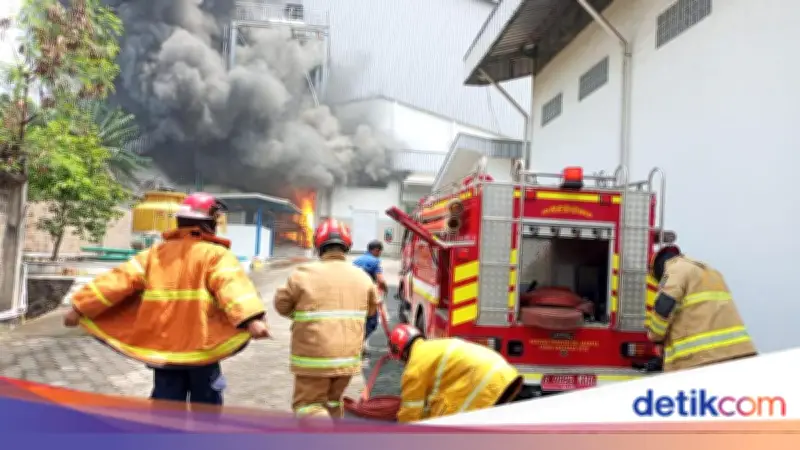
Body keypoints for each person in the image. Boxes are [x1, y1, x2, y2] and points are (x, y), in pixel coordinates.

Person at [63, 192, 270, 408]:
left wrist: (79, 308)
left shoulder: (154, 254)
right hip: (203, 347)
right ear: (210, 222)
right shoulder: (216, 255)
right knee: (206, 406)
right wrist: (252, 319)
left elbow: (117, 281)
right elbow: (232, 287)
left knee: (167, 405)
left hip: (165, 350)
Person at [274, 219, 381, 421]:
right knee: (333, 402)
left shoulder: (302, 274)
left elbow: (281, 305)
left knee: (309, 406)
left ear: (319, 245)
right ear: (347, 245)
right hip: (347, 360)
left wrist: (301, 316)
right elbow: (371, 311)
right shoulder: (363, 277)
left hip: (313, 358)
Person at [646, 245, 757, 372]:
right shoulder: (710, 271)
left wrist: (656, 337)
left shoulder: (675, 269)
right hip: (739, 353)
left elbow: (664, 306)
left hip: (702, 358)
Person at [389, 324, 523, 423]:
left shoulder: (414, 368)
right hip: (504, 375)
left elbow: (410, 414)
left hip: (485, 383)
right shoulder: (431, 348)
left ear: (402, 353)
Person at [352, 240, 388, 344]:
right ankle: (358, 343)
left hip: (353, 295)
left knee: (357, 320)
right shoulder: (374, 261)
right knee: (372, 321)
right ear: (376, 250)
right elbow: (381, 280)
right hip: (367, 296)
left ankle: (356, 341)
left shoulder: (356, 260)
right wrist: (386, 289)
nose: (380, 254)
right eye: (380, 252)